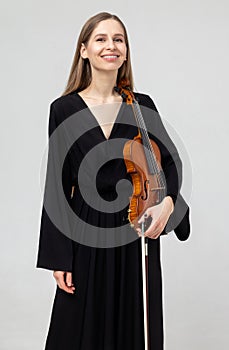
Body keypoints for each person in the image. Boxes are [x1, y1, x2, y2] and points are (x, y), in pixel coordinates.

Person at [36, 11, 190, 350]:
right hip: (85, 231)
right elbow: (57, 187)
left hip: (137, 229)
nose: (111, 46)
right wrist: (59, 257)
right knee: (78, 330)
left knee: (135, 327)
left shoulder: (141, 105)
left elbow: (171, 163)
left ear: (125, 50)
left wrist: (168, 203)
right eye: (101, 39)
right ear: (84, 50)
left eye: (118, 39)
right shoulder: (63, 109)